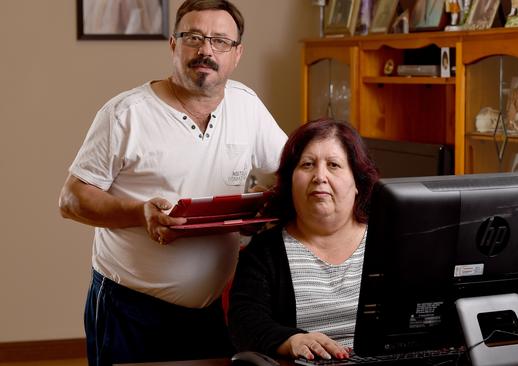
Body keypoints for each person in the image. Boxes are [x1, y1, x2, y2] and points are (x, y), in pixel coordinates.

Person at [58, 1, 287, 365]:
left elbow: (291, 170)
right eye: (193, 37)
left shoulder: (247, 107)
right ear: (172, 44)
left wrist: (271, 200)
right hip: (129, 309)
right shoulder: (125, 114)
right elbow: (71, 199)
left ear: (237, 53)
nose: (205, 51)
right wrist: (139, 213)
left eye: (220, 41)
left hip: (213, 309)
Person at [228, 119, 380, 360]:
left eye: (334, 165)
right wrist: (289, 340)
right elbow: (244, 323)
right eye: (307, 164)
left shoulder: (389, 244)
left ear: (357, 181)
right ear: (290, 181)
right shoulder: (265, 250)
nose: (320, 176)